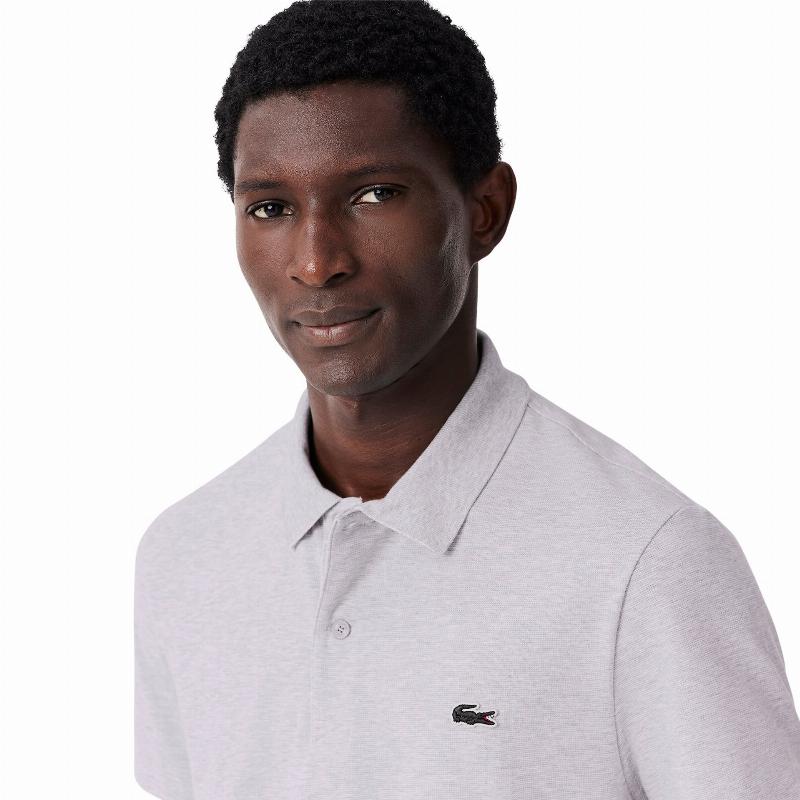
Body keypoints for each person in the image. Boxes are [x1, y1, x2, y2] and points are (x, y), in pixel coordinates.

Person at [133, 2, 800, 798]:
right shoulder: (185, 556)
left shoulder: (647, 560)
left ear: (485, 211)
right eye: (271, 208)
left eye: (374, 194)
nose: (316, 262)